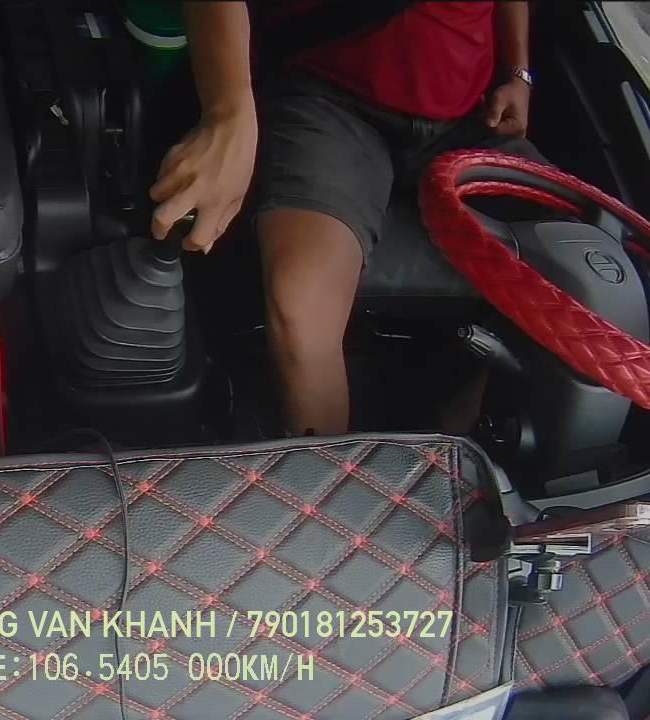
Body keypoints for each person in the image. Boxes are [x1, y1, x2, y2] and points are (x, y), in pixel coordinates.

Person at [151, 1, 538, 435]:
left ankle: (459, 443)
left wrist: (518, 74)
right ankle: (338, 470)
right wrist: (228, 116)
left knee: (575, 287)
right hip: (331, 98)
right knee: (302, 311)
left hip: (477, 115)